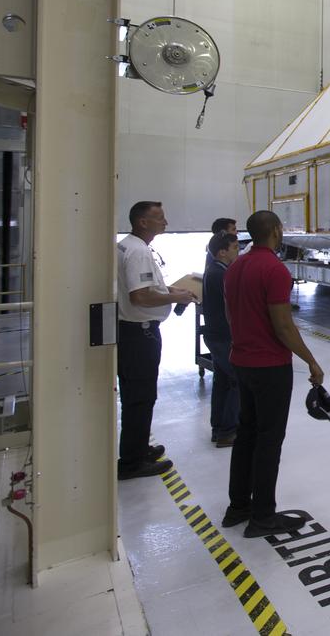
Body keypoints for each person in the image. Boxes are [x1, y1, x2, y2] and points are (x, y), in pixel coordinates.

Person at [221, 210, 324, 537]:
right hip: (269, 368)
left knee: (246, 433)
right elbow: (283, 325)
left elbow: (229, 314)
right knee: (269, 440)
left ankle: (238, 506)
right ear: (277, 232)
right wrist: (310, 360)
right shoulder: (275, 270)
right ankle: (263, 515)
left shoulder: (235, 267)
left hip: (241, 361)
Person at [115, 201, 196, 479]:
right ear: (142, 222)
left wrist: (169, 289)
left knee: (135, 396)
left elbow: (142, 288)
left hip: (130, 331)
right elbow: (140, 296)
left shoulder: (127, 245)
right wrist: (177, 297)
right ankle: (132, 462)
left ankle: (136, 448)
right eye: (159, 218)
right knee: (140, 397)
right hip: (140, 333)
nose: (166, 222)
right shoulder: (138, 252)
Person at [202, 231, 240, 447]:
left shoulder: (214, 271)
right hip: (224, 337)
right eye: (235, 248)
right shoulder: (221, 274)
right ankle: (228, 430)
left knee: (223, 382)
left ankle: (219, 427)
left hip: (216, 335)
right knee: (238, 381)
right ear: (222, 252)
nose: (238, 251)